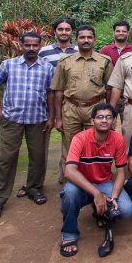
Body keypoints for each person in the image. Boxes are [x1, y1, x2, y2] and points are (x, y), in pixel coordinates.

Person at [0, 32, 54, 222]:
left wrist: (51, 116)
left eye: (35, 45)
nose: (31, 49)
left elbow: (50, 93)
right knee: (6, 159)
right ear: (21, 46)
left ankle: (34, 188)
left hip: (38, 118)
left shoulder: (47, 68)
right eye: (28, 45)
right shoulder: (9, 65)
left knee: (38, 156)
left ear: (40, 46)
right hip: (12, 119)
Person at [59, 103, 132, 258]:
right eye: (100, 117)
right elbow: (69, 171)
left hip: (104, 183)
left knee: (126, 210)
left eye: (108, 117)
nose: (104, 120)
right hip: (82, 184)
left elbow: (120, 172)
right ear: (93, 121)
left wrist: (113, 196)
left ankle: (101, 212)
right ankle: (69, 234)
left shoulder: (118, 140)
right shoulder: (80, 138)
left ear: (113, 121)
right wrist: (96, 194)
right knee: (69, 193)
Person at [51, 25, 113, 185]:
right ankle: (70, 185)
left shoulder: (105, 61)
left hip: (96, 107)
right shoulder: (65, 62)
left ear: (94, 40)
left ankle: (94, 181)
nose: (86, 40)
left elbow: (110, 88)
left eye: (89, 37)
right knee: (70, 148)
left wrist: (110, 114)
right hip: (71, 108)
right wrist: (58, 118)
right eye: (82, 37)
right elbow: (58, 90)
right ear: (76, 39)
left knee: (95, 146)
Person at [38, 17, 78, 185]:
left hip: (70, 100)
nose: (63, 32)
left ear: (72, 32)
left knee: (70, 140)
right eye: (60, 29)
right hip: (47, 100)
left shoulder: (78, 50)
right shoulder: (43, 52)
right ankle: (36, 182)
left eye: (67, 29)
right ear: (54, 31)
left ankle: (67, 176)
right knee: (40, 144)